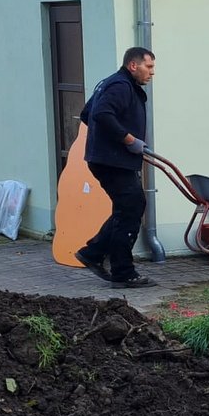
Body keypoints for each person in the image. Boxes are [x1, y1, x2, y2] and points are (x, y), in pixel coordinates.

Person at [74, 47, 157, 289]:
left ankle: (93, 253)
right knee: (131, 207)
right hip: (112, 161)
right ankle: (122, 271)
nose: (152, 73)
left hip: (107, 159)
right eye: (148, 67)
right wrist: (128, 140)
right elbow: (101, 114)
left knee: (128, 207)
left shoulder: (112, 83)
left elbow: (86, 114)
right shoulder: (121, 86)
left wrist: (109, 141)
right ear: (133, 65)